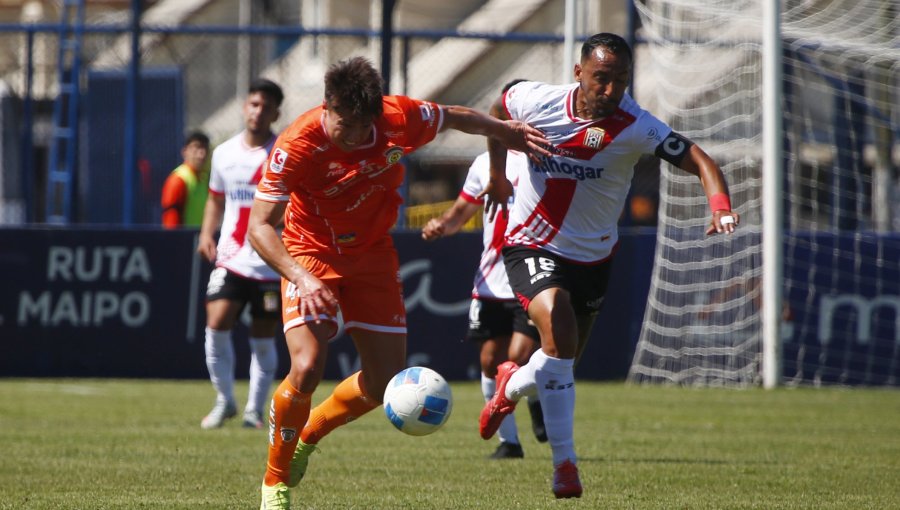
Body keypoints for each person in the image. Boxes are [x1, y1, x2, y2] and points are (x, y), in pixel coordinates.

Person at [247, 56, 550, 509]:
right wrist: (301, 276)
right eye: (343, 123)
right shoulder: (297, 144)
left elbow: (456, 117)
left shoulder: (398, 118)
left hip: (371, 255)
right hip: (311, 255)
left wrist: (504, 132)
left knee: (384, 379)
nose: (351, 135)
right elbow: (259, 228)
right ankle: (275, 482)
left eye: (361, 125)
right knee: (308, 367)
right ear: (326, 106)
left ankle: (309, 432)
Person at [478, 33, 740, 499]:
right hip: (531, 244)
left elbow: (697, 156)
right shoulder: (535, 100)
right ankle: (565, 466)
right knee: (556, 326)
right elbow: (499, 112)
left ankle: (509, 386)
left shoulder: (635, 125)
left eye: (620, 80)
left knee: (559, 363)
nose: (611, 89)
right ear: (578, 73)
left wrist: (718, 203)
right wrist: (499, 173)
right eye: (602, 78)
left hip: (593, 258)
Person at [421, 82, 545, 460]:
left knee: (520, 358)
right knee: (491, 361)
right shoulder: (483, 166)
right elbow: (461, 213)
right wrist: (443, 224)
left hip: (530, 276)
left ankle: (537, 398)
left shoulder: (544, 161)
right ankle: (510, 443)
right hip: (491, 280)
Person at [196, 78, 285, 430]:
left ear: (276, 112)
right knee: (216, 322)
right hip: (232, 258)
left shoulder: (284, 154)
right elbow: (216, 199)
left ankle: (254, 409)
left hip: (270, 265)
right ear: (244, 107)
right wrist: (206, 233)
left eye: (265, 106)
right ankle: (225, 400)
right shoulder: (224, 154)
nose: (258, 111)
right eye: (253, 104)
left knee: (262, 337)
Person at [160, 131, 210, 228]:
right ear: (185, 151)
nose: (202, 153)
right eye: (197, 147)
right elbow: (170, 221)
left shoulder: (205, 179)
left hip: (200, 240)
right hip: (184, 240)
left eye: (205, 148)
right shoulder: (178, 179)